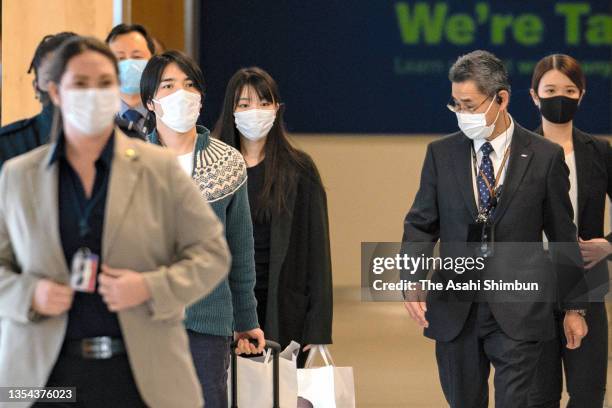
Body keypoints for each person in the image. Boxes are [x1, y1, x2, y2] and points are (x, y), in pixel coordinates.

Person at [0, 36, 230, 408]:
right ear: (56, 92)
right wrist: (30, 294)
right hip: (43, 378)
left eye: (104, 83)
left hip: (140, 375)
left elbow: (211, 253)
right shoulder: (19, 174)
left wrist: (151, 286)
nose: (94, 94)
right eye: (81, 84)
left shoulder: (158, 169)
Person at [402, 50, 588, 408]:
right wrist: (412, 278)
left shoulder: (544, 156)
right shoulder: (441, 154)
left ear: (501, 99)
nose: (462, 115)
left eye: (470, 105)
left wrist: (575, 308)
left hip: (519, 308)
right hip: (457, 309)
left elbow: (563, 235)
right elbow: (421, 223)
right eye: (455, 105)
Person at [141, 50, 264, 407]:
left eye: (190, 84)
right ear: (151, 102)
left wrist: (247, 319)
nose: (182, 93)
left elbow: (239, 250)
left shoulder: (227, 162)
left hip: (208, 322)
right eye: (168, 85)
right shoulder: (131, 161)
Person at [214, 67, 333, 367]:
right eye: (244, 104)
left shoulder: (299, 168)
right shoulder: (212, 166)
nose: (255, 111)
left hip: (283, 306)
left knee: (279, 392)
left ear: (277, 109)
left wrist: (317, 327)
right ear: (231, 110)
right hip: (226, 305)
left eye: (264, 103)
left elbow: (318, 253)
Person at [527, 54, 609, 408]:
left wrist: (608, 245)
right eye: (550, 89)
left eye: (569, 89)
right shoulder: (516, 151)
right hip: (532, 283)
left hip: (588, 279)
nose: (560, 96)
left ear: (581, 95)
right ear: (534, 95)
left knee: (588, 391)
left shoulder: (599, 152)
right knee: (538, 394)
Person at [0, 32, 76, 169]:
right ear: (36, 88)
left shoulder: (116, 141)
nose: (60, 87)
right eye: (51, 79)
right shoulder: (6, 145)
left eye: (73, 78)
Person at [106, 23, 155, 139]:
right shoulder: (95, 115)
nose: (129, 65)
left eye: (137, 57)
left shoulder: (170, 111)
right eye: (120, 58)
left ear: (153, 61)